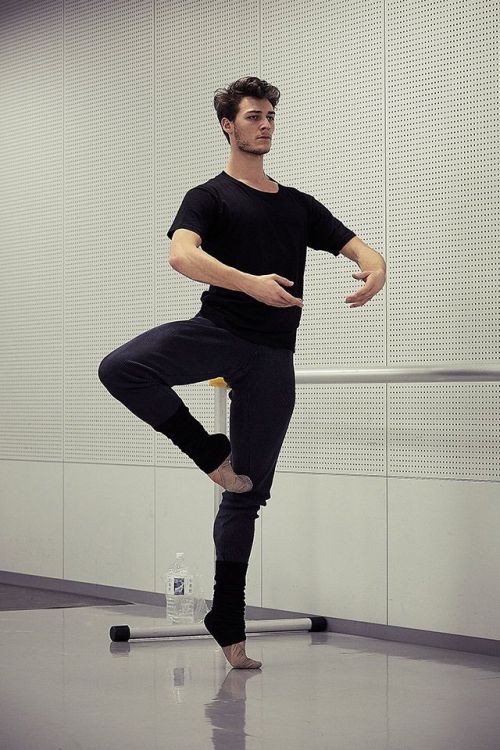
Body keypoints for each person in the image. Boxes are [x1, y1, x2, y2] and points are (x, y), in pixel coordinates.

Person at [98, 76, 386, 669]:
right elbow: (182, 254)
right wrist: (249, 283)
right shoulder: (209, 195)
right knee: (122, 367)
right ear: (229, 124)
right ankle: (208, 451)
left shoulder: (298, 205)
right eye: (254, 115)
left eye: (271, 116)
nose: (265, 124)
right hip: (217, 334)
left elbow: (357, 246)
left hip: (272, 360)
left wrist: (374, 267)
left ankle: (227, 613)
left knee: (248, 491)